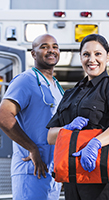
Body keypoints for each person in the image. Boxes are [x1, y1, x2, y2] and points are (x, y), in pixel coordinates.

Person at [47, 34, 109, 200]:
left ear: (108, 56)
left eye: (98, 54)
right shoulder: (71, 94)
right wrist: (67, 129)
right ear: (80, 57)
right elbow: (51, 136)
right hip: (74, 178)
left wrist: (96, 143)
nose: (92, 59)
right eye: (86, 54)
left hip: (104, 178)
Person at [0, 34, 64, 200]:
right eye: (44, 46)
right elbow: (3, 115)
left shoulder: (56, 87)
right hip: (31, 170)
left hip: (51, 173)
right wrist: (32, 148)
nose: (51, 50)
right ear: (33, 54)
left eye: (55, 46)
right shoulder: (26, 80)